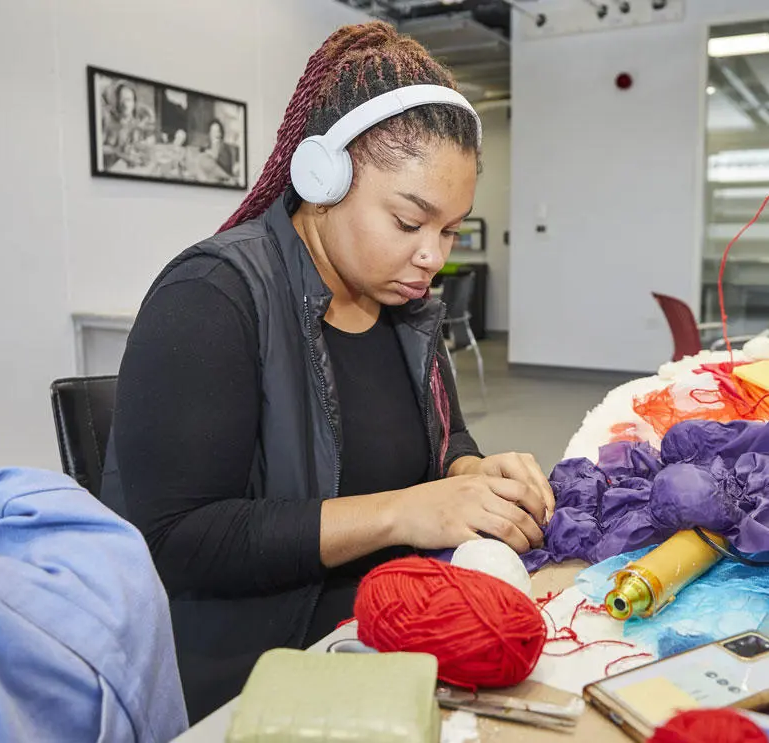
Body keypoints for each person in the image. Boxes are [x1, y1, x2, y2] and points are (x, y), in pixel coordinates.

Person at [99, 21, 555, 722]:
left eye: (452, 229)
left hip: (379, 635)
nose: (434, 256)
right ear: (323, 177)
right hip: (255, 675)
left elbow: (446, 442)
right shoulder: (212, 299)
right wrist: (406, 509)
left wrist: (472, 475)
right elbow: (181, 541)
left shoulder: (403, 308)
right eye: (409, 222)